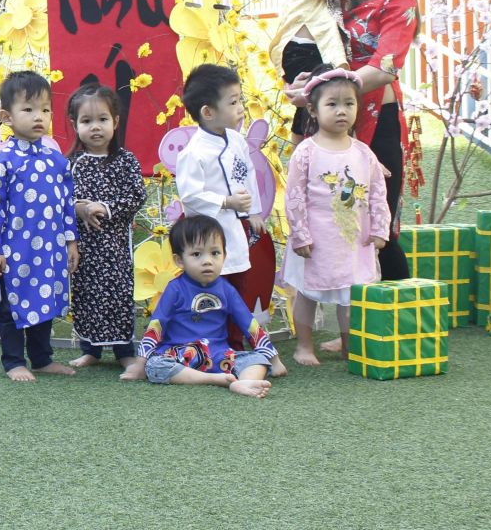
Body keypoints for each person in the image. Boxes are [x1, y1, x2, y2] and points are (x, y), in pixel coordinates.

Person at [288, 0, 418, 285]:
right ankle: (347, 316)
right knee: (329, 224)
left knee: (378, 229)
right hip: (326, 125)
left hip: (376, 124)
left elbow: (383, 68)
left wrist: (324, 89)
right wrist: (297, 82)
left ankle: (400, 314)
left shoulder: (399, 0)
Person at [175, 64, 285, 377]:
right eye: (233, 102)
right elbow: (190, 195)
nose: (240, 108)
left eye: (240, 100)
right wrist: (225, 202)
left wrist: (254, 212)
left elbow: (247, 175)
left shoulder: (237, 141)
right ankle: (211, 349)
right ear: (208, 112)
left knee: (239, 288)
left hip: (236, 232)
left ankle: (237, 348)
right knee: (211, 292)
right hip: (208, 236)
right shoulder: (194, 152)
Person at [283, 68, 390, 366]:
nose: (341, 111)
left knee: (350, 295)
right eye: (332, 104)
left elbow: (377, 192)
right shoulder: (306, 152)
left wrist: (380, 229)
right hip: (315, 239)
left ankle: (348, 345)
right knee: (307, 293)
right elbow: (294, 197)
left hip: (353, 240)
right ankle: (304, 346)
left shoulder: (363, 153)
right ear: (313, 110)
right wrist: (300, 235)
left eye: (349, 103)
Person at [268, 0, 408, 137]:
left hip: (372, 105)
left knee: (315, 120)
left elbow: (384, 70)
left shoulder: (397, 0)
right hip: (312, 64)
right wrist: (296, 88)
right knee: (312, 124)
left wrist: (318, 90)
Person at [0, 71, 77, 383]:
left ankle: (42, 358)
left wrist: (71, 242)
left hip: (50, 249)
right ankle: (13, 361)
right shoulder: (4, 161)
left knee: (45, 299)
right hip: (15, 251)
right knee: (11, 305)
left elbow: (67, 205)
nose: (39, 117)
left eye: (45, 110)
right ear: (7, 117)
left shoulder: (56, 161)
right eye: (29, 109)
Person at [124, 216, 277, 399]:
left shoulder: (227, 290)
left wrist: (273, 359)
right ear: (179, 260)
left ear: (225, 256)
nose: (207, 261)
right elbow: (156, 325)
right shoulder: (175, 289)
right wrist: (140, 363)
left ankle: (244, 382)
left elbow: (249, 324)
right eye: (197, 254)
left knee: (257, 360)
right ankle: (215, 379)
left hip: (220, 356)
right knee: (155, 365)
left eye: (215, 253)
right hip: (178, 355)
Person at [63, 83, 146, 377]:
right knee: (86, 295)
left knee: (119, 295)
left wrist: (105, 208)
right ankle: (91, 350)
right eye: (87, 121)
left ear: (116, 121)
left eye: (102, 119)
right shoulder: (72, 164)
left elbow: (136, 196)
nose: (95, 127)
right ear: (75, 125)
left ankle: (124, 351)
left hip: (116, 247)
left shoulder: (126, 161)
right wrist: (79, 209)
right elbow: (62, 201)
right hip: (85, 247)